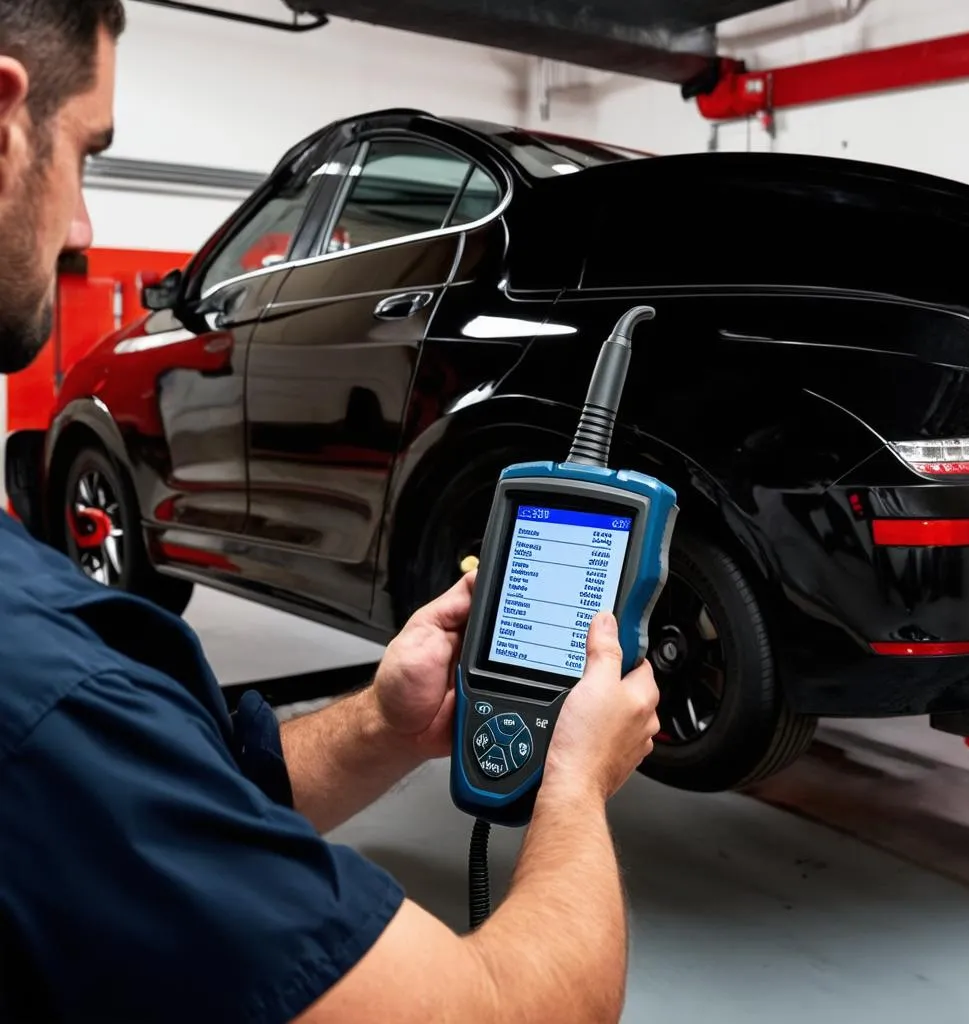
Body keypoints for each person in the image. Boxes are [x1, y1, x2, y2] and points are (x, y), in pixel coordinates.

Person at [0, 3, 662, 1021]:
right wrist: (574, 786)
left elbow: (182, 788)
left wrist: (381, 725)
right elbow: (505, 1010)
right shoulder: (51, 700)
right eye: (87, 154)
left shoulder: (59, 696)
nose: (83, 224)